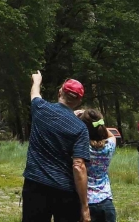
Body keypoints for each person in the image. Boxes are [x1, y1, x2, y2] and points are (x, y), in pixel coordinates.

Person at [23, 73, 90, 222]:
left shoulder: (40, 108)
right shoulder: (80, 128)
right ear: (79, 100)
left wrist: (37, 80)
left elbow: (35, 93)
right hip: (64, 191)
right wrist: (85, 206)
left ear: (60, 92)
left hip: (35, 185)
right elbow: (79, 166)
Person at [76, 109, 117, 222]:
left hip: (86, 203)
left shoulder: (81, 148)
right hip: (106, 202)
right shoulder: (109, 146)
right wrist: (99, 121)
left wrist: (75, 117)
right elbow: (111, 135)